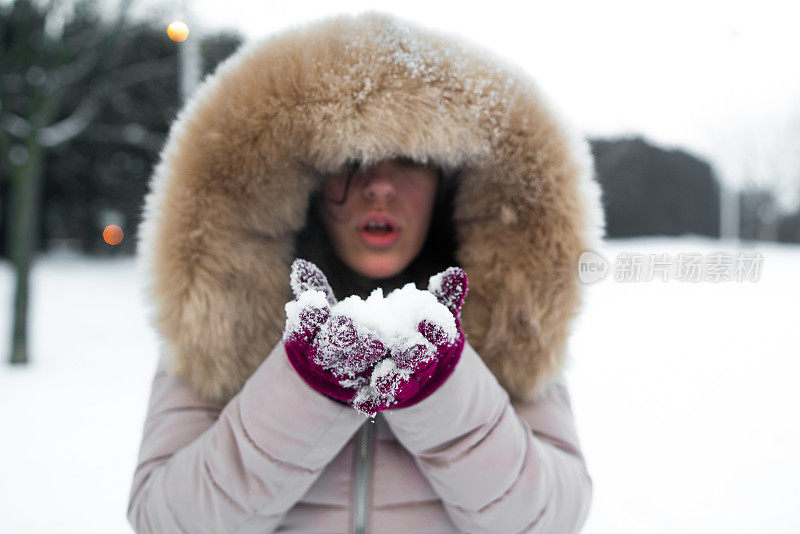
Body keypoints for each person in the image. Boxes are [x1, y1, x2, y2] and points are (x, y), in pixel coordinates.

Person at [128, 12, 604, 534]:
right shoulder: (219, 320)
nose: (380, 186)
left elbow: (556, 518)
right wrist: (303, 386)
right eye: (351, 158)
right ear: (304, 178)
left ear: (446, 184)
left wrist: (445, 389)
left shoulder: (509, 327)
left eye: (408, 158)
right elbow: (163, 521)